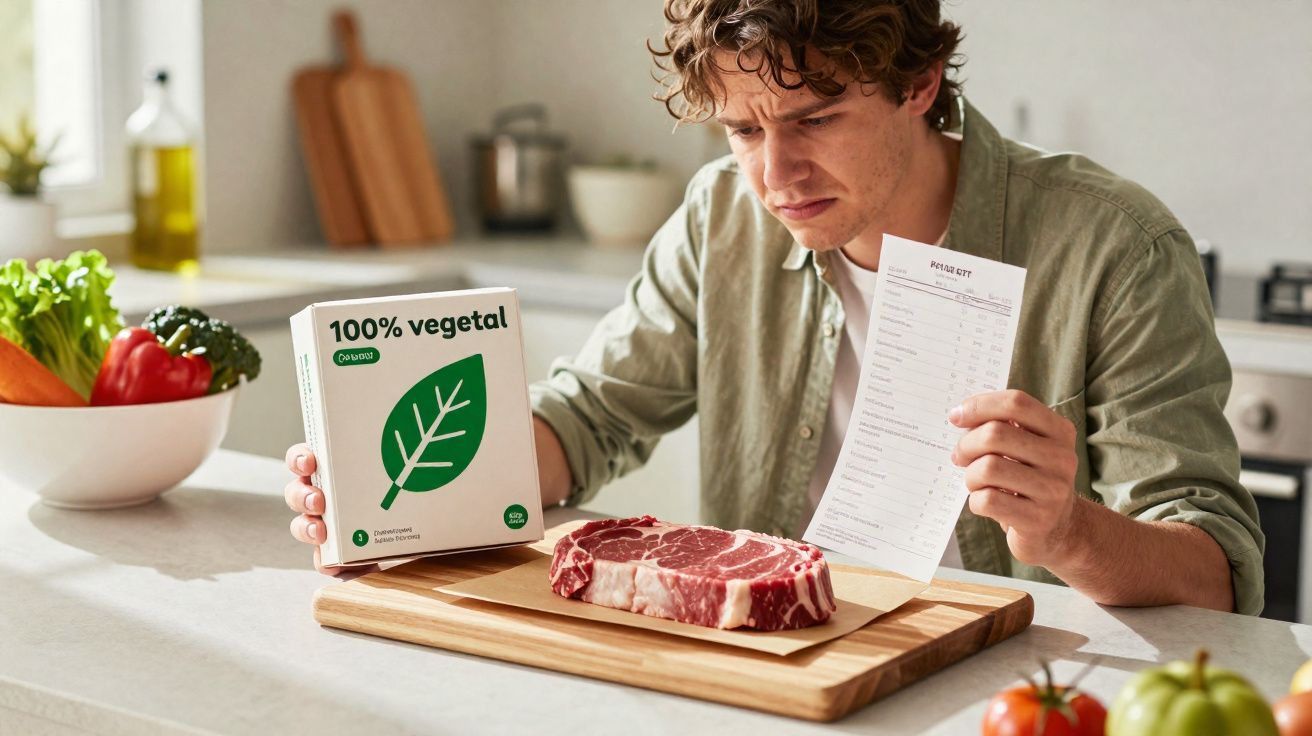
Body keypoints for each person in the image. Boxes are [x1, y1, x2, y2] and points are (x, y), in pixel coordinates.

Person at [285, 0, 1264, 614]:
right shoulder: (723, 214)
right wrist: (395, 487)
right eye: (741, 129)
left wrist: (1065, 529)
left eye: (815, 120)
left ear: (920, 83)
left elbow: (1214, 572)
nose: (775, 175)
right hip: (769, 679)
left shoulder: (1115, 248)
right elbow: (590, 417)